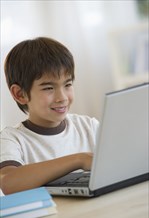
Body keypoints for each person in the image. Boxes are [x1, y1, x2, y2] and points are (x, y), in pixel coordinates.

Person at [0, 37, 99, 195]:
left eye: (67, 85)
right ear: (20, 94)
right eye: (48, 88)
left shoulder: (89, 127)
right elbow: (8, 182)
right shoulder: (12, 139)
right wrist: (79, 160)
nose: (62, 97)